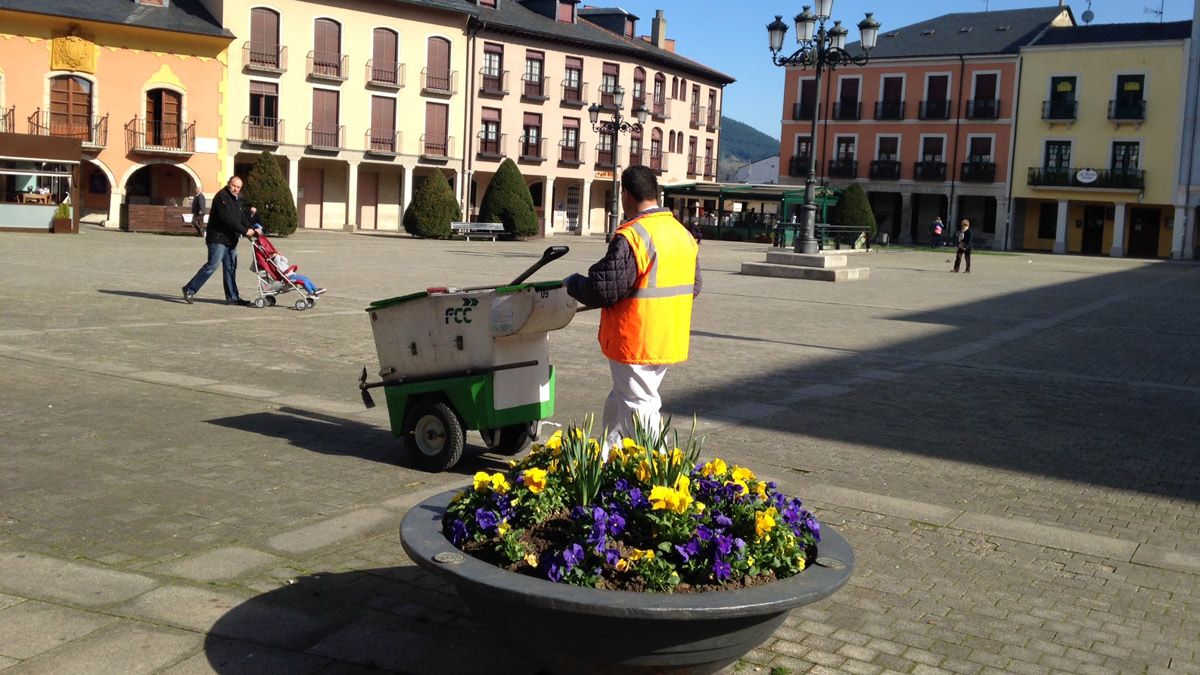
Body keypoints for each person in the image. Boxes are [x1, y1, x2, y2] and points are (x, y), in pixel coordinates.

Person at [565, 165, 701, 451]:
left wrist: (574, 283)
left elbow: (604, 288)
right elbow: (695, 286)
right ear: (656, 192)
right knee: (622, 400)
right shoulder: (682, 234)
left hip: (635, 338)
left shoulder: (634, 235)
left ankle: (657, 469)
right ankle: (610, 455)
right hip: (667, 336)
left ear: (625, 194)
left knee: (640, 405)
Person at [182, 176, 258, 305]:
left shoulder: (239, 198)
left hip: (231, 238)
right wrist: (245, 231)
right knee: (213, 264)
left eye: (238, 187)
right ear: (228, 184)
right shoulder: (221, 197)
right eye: (234, 185)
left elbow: (241, 217)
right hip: (217, 238)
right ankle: (189, 288)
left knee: (230, 267)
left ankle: (233, 297)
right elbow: (228, 219)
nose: (236, 189)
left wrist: (252, 227)